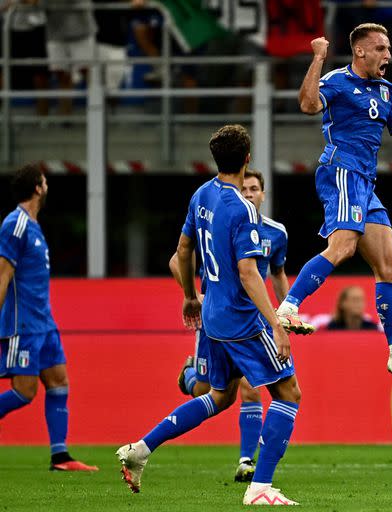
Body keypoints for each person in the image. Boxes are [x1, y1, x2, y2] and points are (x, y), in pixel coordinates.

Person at [117, 125, 300, 506]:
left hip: (213, 317)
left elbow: (183, 250)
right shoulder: (243, 209)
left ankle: (142, 448)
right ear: (247, 159)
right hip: (242, 320)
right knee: (288, 392)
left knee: (220, 396)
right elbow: (249, 272)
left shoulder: (201, 195)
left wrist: (189, 296)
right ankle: (260, 487)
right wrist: (276, 324)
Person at [275, 23, 392, 380]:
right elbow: (308, 104)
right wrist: (318, 58)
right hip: (340, 171)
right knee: (342, 246)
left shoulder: (391, 94)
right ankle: (288, 307)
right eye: (380, 48)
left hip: (365, 182)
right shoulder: (337, 81)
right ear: (360, 51)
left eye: (388, 49)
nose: (387, 55)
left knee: (389, 265)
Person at [169, 169, 289, 483]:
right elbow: (177, 257)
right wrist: (192, 294)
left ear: (263, 194)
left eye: (254, 189)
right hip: (218, 315)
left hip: (253, 317)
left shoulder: (276, 233)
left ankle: (247, 460)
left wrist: (287, 311)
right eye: (245, 187)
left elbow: (276, 273)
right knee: (212, 392)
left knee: (250, 387)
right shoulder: (225, 216)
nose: (249, 193)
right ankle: (189, 377)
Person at [0, 164, 98, 472]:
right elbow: (3, 275)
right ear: (37, 187)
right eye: (44, 180)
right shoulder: (15, 224)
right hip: (23, 324)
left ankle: (60, 457)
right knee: (24, 391)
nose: (47, 184)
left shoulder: (34, 225)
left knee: (59, 381)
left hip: (45, 323)